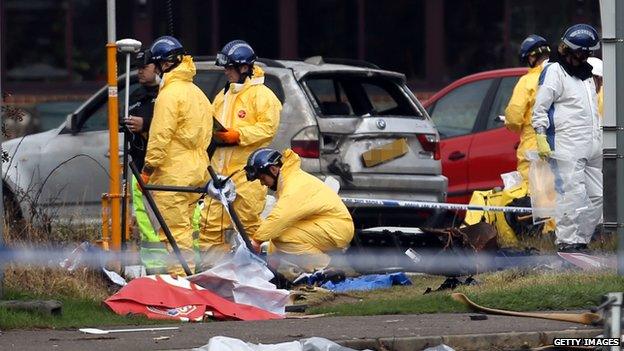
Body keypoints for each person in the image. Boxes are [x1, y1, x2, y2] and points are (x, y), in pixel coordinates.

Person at [198, 40, 282, 267]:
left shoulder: (263, 96)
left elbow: (267, 129)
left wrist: (238, 135)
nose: (225, 71)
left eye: (229, 67)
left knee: (248, 226)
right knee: (211, 225)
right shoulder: (223, 95)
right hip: (220, 174)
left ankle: (257, 272)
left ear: (243, 67)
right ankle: (212, 272)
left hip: (247, 174)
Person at [141, 35, 214, 275]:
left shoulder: (169, 95)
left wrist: (148, 169)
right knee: (184, 229)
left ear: (163, 64)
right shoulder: (197, 92)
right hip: (197, 168)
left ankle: (180, 281)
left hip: (174, 171)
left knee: (173, 232)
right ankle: (187, 277)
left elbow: (160, 136)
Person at [532, 24, 602, 252]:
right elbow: (540, 108)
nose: (584, 57)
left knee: (598, 197)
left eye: (587, 53)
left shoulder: (586, 75)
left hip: (591, 143)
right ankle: (568, 242)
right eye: (581, 52)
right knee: (571, 195)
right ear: (568, 50)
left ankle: (580, 241)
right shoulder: (554, 71)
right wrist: (541, 136)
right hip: (566, 143)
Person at [244, 148, 354, 278]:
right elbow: (281, 225)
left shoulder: (294, 186)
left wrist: (257, 241)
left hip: (336, 228)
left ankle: (326, 269)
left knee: (283, 237)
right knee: (281, 234)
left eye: (262, 178)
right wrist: (272, 265)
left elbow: (280, 218)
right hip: (329, 225)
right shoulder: (290, 179)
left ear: (273, 170)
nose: (262, 183)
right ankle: (324, 268)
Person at [124, 50, 168, 274]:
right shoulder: (136, 96)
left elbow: (168, 127)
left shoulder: (166, 94)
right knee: (144, 222)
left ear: (157, 67)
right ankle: (153, 269)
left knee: (163, 221)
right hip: (138, 165)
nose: (140, 71)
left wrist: (146, 124)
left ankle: (170, 268)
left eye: (145, 67)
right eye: (138, 67)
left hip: (161, 169)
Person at [505, 34, 551, 182]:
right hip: (561, 144)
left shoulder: (527, 81)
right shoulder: (561, 76)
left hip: (533, 145)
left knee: (533, 193)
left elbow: (514, 118)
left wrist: (512, 124)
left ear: (531, 58)